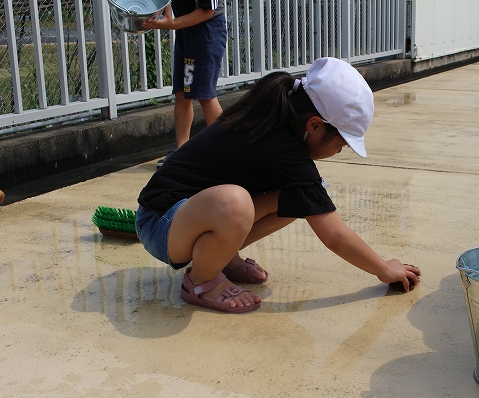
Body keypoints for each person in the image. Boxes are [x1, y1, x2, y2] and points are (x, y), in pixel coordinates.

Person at [135, 57, 421, 313]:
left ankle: (220, 256)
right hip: (160, 222)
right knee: (235, 202)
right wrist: (384, 269)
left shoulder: (276, 115)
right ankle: (202, 281)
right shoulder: (285, 149)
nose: (339, 150)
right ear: (314, 126)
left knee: (296, 198)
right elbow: (333, 235)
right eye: (342, 143)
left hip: (187, 217)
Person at [142, 0, 227, 168]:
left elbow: (207, 10)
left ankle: (224, 151)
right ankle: (182, 151)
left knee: (205, 94)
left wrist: (172, 24)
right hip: (185, 29)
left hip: (207, 30)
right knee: (181, 93)